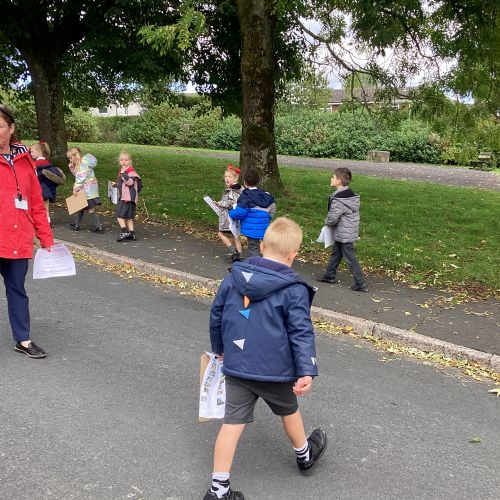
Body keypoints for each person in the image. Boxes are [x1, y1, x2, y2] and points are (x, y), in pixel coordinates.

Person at [204, 217, 327, 500]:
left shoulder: (233, 277)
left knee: (232, 423)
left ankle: (218, 489)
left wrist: (219, 349)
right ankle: (304, 454)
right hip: (276, 370)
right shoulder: (294, 289)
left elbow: (217, 315)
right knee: (289, 411)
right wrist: (306, 370)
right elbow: (301, 332)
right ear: (293, 255)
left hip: (237, 365)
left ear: (261, 246)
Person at [0, 105, 53, 358]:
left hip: (17, 238)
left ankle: (23, 340)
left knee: (17, 290)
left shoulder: (25, 162)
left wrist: (46, 238)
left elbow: (35, 202)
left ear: (11, 129)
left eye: (0, 126)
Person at [317, 167, 367, 292]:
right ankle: (329, 275)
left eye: (333, 177)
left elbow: (332, 218)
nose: (331, 179)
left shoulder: (340, 200)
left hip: (344, 233)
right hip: (345, 231)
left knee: (350, 258)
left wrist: (326, 224)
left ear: (338, 181)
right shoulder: (349, 196)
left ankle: (360, 282)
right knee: (336, 254)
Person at [228, 167, 275, 257]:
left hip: (251, 228)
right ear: (258, 181)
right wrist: (267, 217)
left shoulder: (245, 196)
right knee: (266, 247)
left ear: (245, 182)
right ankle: (269, 261)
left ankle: (255, 264)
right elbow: (272, 207)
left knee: (254, 247)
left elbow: (240, 212)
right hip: (264, 226)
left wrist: (231, 212)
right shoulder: (265, 194)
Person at [67, 147, 103, 233]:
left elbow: (80, 179)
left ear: (76, 156)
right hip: (89, 190)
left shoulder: (83, 166)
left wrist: (75, 190)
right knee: (82, 207)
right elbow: (77, 175)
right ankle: (76, 224)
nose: (70, 160)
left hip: (88, 191)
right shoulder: (82, 164)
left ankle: (98, 227)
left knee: (90, 209)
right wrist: (72, 168)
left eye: (71, 158)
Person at [30, 141, 66, 226]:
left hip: (39, 189)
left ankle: (40, 222)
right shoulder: (48, 164)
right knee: (46, 208)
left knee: (37, 207)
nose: (31, 154)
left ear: (39, 152)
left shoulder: (36, 164)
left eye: (32, 152)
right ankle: (47, 221)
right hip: (48, 189)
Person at [216, 164, 243, 261]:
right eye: (225, 176)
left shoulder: (233, 190)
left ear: (235, 178)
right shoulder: (235, 189)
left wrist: (220, 203)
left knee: (221, 233)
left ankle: (234, 252)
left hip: (230, 217)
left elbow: (232, 202)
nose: (227, 179)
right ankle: (239, 254)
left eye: (229, 177)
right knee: (235, 236)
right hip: (232, 216)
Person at [113, 151, 142, 242]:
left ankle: (124, 232)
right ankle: (132, 234)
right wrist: (116, 184)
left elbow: (129, 183)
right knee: (129, 217)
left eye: (126, 160)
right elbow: (123, 184)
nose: (123, 162)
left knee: (119, 215)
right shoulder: (124, 172)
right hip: (128, 197)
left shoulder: (131, 172)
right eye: (121, 160)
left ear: (130, 161)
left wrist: (123, 173)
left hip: (127, 198)